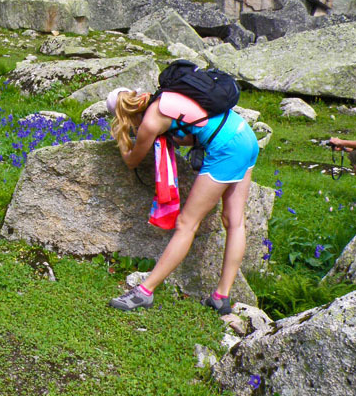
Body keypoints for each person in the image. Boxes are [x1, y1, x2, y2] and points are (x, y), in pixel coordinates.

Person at [106, 87, 259, 316]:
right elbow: (193, 131)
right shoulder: (164, 98)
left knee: (187, 224)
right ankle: (221, 297)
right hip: (245, 136)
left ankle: (144, 292)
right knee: (234, 221)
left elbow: (132, 160)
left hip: (227, 148)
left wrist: (121, 139)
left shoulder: (149, 122)